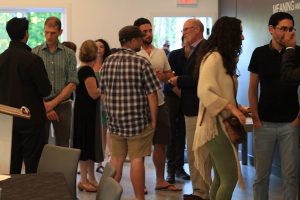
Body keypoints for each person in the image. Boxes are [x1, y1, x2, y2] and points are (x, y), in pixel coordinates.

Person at [99, 25, 161, 200]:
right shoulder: (141, 62)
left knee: (116, 160)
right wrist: (154, 120)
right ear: (133, 41)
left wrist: (112, 112)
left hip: (116, 121)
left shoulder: (107, 62)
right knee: (137, 159)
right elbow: (152, 94)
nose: (142, 42)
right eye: (140, 39)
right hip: (138, 121)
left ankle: (109, 197)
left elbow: (103, 93)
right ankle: (139, 197)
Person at [248, 12, 299, 200]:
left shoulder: (297, 53)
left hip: (290, 123)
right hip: (265, 123)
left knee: (291, 176)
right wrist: (256, 118)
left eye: (291, 28)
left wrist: (298, 119)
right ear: (271, 30)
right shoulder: (259, 53)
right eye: (283, 28)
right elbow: (253, 88)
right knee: (261, 176)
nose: (287, 33)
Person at [193, 16, 245, 200]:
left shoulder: (221, 58)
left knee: (221, 179)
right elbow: (204, 92)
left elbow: (221, 92)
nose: (243, 37)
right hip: (215, 127)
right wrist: (232, 107)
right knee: (229, 179)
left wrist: (239, 108)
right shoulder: (214, 58)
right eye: (239, 33)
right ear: (229, 35)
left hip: (219, 124)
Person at [133, 17, 181, 192]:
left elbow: (169, 74)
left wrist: (162, 76)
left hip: (160, 104)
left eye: (150, 30)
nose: (148, 34)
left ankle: (160, 180)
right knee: (140, 146)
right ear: (137, 33)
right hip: (139, 107)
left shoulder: (160, 52)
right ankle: (141, 183)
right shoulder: (134, 53)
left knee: (161, 143)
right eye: (144, 31)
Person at [0, 17, 51, 174]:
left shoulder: (1, 59)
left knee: (10, 164)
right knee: (33, 163)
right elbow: (45, 90)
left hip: (6, 119)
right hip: (30, 118)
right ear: (26, 34)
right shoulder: (33, 60)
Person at [168, 18, 210, 200]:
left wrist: (178, 80)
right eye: (183, 30)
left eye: (187, 29)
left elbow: (198, 78)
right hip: (191, 106)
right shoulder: (189, 51)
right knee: (194, 152)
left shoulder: (206, 49)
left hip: (200, 107)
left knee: (198, 153)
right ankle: (198, 190)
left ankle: (201, 192)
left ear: (198, 30)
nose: (184, 32)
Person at [32, 16, 78, 147]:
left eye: (52, 33)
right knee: (40, 143)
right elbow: (31, 83)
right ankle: (42, 168)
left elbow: (72, 82)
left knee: (63, 145)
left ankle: (60, 169)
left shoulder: (69, 54)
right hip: (40, 104)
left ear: (60, 32)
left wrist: (52, 104)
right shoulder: (35, 52)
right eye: (46, 32)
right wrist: (45, 106)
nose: (48, 36)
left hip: (63, 105)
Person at [73, 40, 103, 192]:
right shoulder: (87, 71)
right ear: (94, 54)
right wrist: (104, 88)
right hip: (86, 113)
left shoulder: (81, 68)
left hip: (83, 112)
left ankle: (91, 178)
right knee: (85, 146)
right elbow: (93, 94)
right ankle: (84, 180)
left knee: (88, 146)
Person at [164, 36, 190, 184]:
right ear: (182, 42)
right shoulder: (174, 55)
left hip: (187, 98)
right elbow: (169, 78)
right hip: (172, 96)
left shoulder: (196, 57)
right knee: (172, 134)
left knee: (183, 133)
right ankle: (171, 170)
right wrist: (181, 94)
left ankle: (180, 168)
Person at [94, 38, 111, 173]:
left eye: (101, 46)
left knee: (103, 133)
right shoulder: (89, 66)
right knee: (92, 133)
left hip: (105, 103)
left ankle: (100, 162)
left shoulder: (108, 65)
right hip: (93, 103)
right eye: (96, 47)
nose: (99, 49)